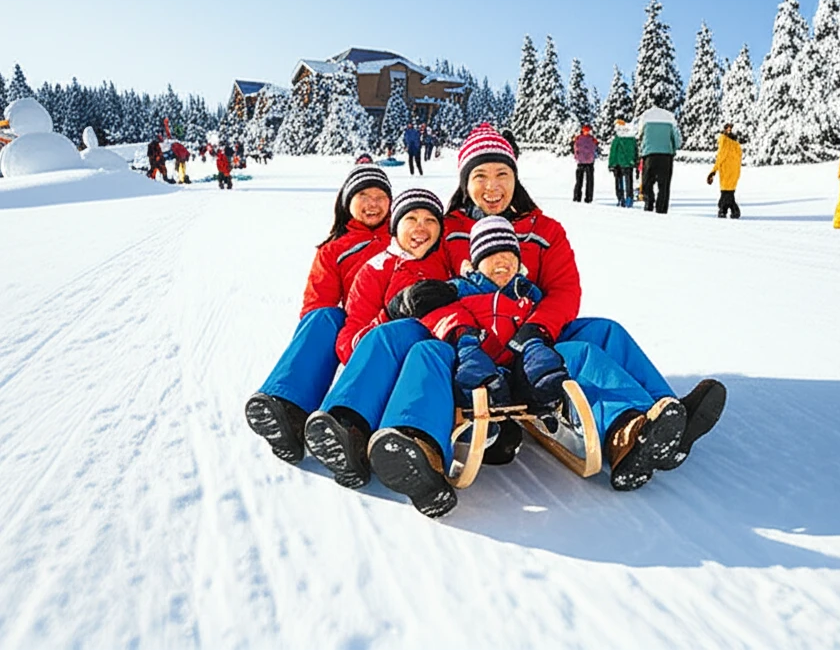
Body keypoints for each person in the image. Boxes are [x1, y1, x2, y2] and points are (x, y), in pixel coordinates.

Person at [335, 124, 726, 515]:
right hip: (470, 343)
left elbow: (564, 291)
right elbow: (434, 289)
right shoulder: (447, 229)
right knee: (428, 351)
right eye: (480, 176)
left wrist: (536, 331)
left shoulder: (544, 230)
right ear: (464, 182)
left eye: (502, 174)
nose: (492, 186)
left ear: (515, 178)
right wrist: (459, 331)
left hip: (534, 337)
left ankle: (657, 419)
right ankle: (417, 443)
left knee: (603, 332)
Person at [244, 166, 393, 463]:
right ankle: (288, 407)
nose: (373, 203)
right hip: (357, 322)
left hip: (393, 324)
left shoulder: (404, 234)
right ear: (347, 202)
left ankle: (346, 422)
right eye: (364, 195)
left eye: (380, 196)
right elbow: (316, 302)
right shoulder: (334, 249)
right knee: (323, 316)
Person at [302, 189, 449, 488]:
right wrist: (389, 317)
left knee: (425, 350)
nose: (421, 228)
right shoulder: (376, 270)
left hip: (437, 359)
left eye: (430, 220)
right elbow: (348, 339)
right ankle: (345, 428)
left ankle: (418, 454)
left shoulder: (447, 267)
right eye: (411, 218)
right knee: (392, 333)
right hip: (385, 362)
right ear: (395, 226)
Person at [637, 107, 681, 213]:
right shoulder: (670, 120)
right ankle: (661, 208)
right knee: (664, 185)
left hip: (649, 155)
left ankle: (649, 203)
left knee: (647, 182)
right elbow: (677, 141)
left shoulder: (645, 119)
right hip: (666, 156)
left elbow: (639, 137)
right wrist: (673, 148)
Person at [707, 123, 742, 219]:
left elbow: (720, 158)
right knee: (729, 193)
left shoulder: (724, 142)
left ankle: (725, 209)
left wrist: (713, 171)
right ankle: (727, 210)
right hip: (735, 172)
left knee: (725, 193)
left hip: (726, 172)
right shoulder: (737, 145)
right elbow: (738, 159)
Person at [608, 119, 638, 207]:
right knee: (629, 182)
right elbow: (636, 151)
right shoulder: (632, 139)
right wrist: (635, 161)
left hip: (618, 163)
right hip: (629, 164)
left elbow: (613, 152)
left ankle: (621, 199)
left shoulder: (617, 139)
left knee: (619, 182)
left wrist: (611, 164)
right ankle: (629, 198)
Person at [572, 124, 598, 203]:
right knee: (579, 181)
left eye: (588, 130)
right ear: (583, 130)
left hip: (589, 162)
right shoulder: (578, 138)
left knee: (589, 182)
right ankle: (577, 197)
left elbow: (596, 148)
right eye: (586, 130)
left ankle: (588, 198)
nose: (587, 132)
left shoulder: (592, 139)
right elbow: (574, 149)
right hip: (581, 162)